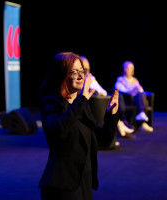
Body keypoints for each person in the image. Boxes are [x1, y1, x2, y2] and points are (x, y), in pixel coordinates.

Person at [38, 52, 119, 200]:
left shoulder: (82, 106)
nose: (81, 76)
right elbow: (58, 130)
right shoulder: (51, 103)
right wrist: (81, 99)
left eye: (82, 72)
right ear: (61, 75)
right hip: (62, 187)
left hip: (84, 184)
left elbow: (103, 141)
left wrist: (111, 116)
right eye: (74, 72)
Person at [81, 56, 135, 139]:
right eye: (83, 69)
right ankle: (121, 125)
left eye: (87, 68)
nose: (85, 71)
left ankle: (121, 124)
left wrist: (93, 88)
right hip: (89, 105)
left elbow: (103, 91)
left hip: (98, 102)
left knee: (115, 97)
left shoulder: (91, 78)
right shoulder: (77, 80)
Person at [114, 61, 154, 132]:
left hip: (135, 100)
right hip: (126, 99)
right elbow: (120, 89)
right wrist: (133, 89)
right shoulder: (120, 79)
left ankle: (142, 121)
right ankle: (140, 120)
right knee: (141, 97)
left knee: (141, 94)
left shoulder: (135, 80)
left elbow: (141, 89)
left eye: (132, 68)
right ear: (125, 69)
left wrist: (138, 89)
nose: (131, 70)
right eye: (129, 68)